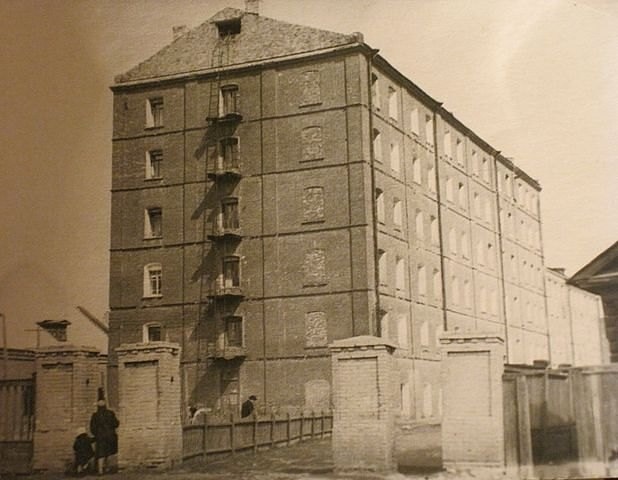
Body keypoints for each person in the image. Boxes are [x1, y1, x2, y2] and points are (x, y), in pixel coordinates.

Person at [90, 400, 119, 475]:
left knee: (100, 453)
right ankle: (107, 468)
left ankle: (100, 470)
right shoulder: (111, 413)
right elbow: (116, 424)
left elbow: (92, 428)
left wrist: (97, 434)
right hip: (110, 435)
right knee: (108, 452)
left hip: (100, 436)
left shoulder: (95, 415)